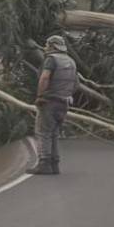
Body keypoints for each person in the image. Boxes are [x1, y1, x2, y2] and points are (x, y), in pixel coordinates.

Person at [29, 35, 78, 175]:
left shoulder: (51, 60)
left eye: (47, 45)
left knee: (44, 132)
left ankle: (44, 164)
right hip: (64, 102)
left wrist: (40, 96)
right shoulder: (71, 61)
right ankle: (54, 164)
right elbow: (76, 84)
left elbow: (44, 78)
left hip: (50, 101)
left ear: (52, 46)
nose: (45, 47)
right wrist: (66, 93)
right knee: (54, 133)